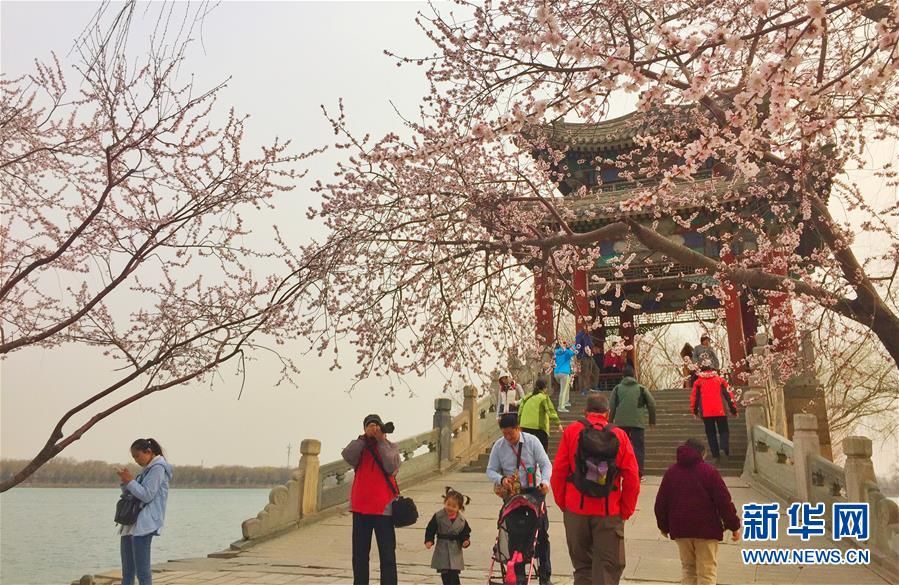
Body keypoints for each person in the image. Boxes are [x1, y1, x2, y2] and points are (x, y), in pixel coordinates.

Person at [551, 393, 640, 585]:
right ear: (607, 414)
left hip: (576, 508)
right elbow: (632, 477)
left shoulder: (572, 431)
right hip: (609, 510)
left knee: (583, 568)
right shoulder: (620, 435)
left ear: (585, 411)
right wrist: (625, 510)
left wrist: (564, 503)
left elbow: (558, 471)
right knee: (607, 569)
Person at [654, 439, 741, 585]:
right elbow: (724, 502)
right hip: (707, 530)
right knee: (706, 572)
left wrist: (663, 526)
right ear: (702, 453)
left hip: (681, 530)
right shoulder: (709, 472)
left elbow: (661, 503)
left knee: (688, 569)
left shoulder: (671, 473)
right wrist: (734, 526)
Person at [486, 413, 553, 585]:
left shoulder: (532, 442)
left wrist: (545, 481)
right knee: (514, 532)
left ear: (518, 428)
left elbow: (545, 464)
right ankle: (518, 575)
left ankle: (545, 574)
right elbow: (491, 469)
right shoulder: (499, 446)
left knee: (541, 533)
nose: (508, 437)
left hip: (534, 491)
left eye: (511, 433)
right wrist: (501, 479)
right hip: (513, 493)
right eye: (505, 434)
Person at [342, 414, 401, 585]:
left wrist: (381, 440)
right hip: (361, 507)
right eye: (370, 425)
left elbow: (391, 467)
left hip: (384, 508)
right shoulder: (360, 448)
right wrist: (362, 439)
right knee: (359, 555)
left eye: (376, 425)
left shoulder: (390, 446)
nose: (373, 428)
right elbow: (347, 456)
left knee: (387, 554)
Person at [116, 438, 174, 585]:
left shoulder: (158, 468)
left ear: (148, 452)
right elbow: (133, 494)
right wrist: (125, 482)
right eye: (133, 457)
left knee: (142, 572)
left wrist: (130, 481)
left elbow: (147, 495)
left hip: (144, 524)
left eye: (137, 456)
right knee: (127, 572)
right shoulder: (146, 470)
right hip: (131, 524)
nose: (136, 460)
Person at [609, 365, 657, 480]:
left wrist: (610, 422)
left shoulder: (617, 388)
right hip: (637, 422)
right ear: (634, 375)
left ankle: (618, 472)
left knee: (619, 447)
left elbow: (612, 406)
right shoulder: (641, 388)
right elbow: (652, 404)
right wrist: (652, 420)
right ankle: (638, 473)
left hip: (620, 423)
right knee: (638, 448)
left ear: (622, 376)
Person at [424, 487, 472, 585]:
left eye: (454, 506)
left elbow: (465, 532)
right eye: (448, 504)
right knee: (445, 573)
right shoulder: (438, 516)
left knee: (454, 573)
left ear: (459, 508)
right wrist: (429, 540)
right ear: (444, 502)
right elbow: (430, 528)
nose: (450, 508)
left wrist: (465, 541)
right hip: (442, 548)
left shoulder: (461, 521)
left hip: (455, 549)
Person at [690, 366, 738, 460]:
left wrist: (694, 411)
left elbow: (695, 398)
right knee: (724, 430)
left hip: (706, 412)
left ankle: (715, 454)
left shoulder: (698, 382)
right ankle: (724, 445)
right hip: (720, 410)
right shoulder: (720, 380)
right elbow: (729, 395)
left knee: (710, 433)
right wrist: (733, 410)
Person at [518, 377, 564, 451]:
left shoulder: (528, 396)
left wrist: (519, 422)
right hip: (538, 428)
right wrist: (558, 424)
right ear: (545, 388)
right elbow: (550, 411)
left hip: (524, 426)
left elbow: (520, 409)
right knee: (541, 451)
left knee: (527, 451)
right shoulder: (543, 397)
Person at [554, 340, 576, 413]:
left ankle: (566, 401)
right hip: (564, 372)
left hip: (556, 372)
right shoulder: (567, 351)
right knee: (563, 390)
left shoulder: (556, 352)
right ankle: (561, 407)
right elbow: (573, 352)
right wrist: (574, 345)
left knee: (566, 387)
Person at [575, 329, 596, 393]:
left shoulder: (588, 335)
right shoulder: (580, 335)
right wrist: (579, 356)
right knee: (584, 373)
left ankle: (590, 386)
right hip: (583, 356)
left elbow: (590, 344)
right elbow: (578, 346)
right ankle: (583, 389)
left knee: (594, 370)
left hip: (589, 355)